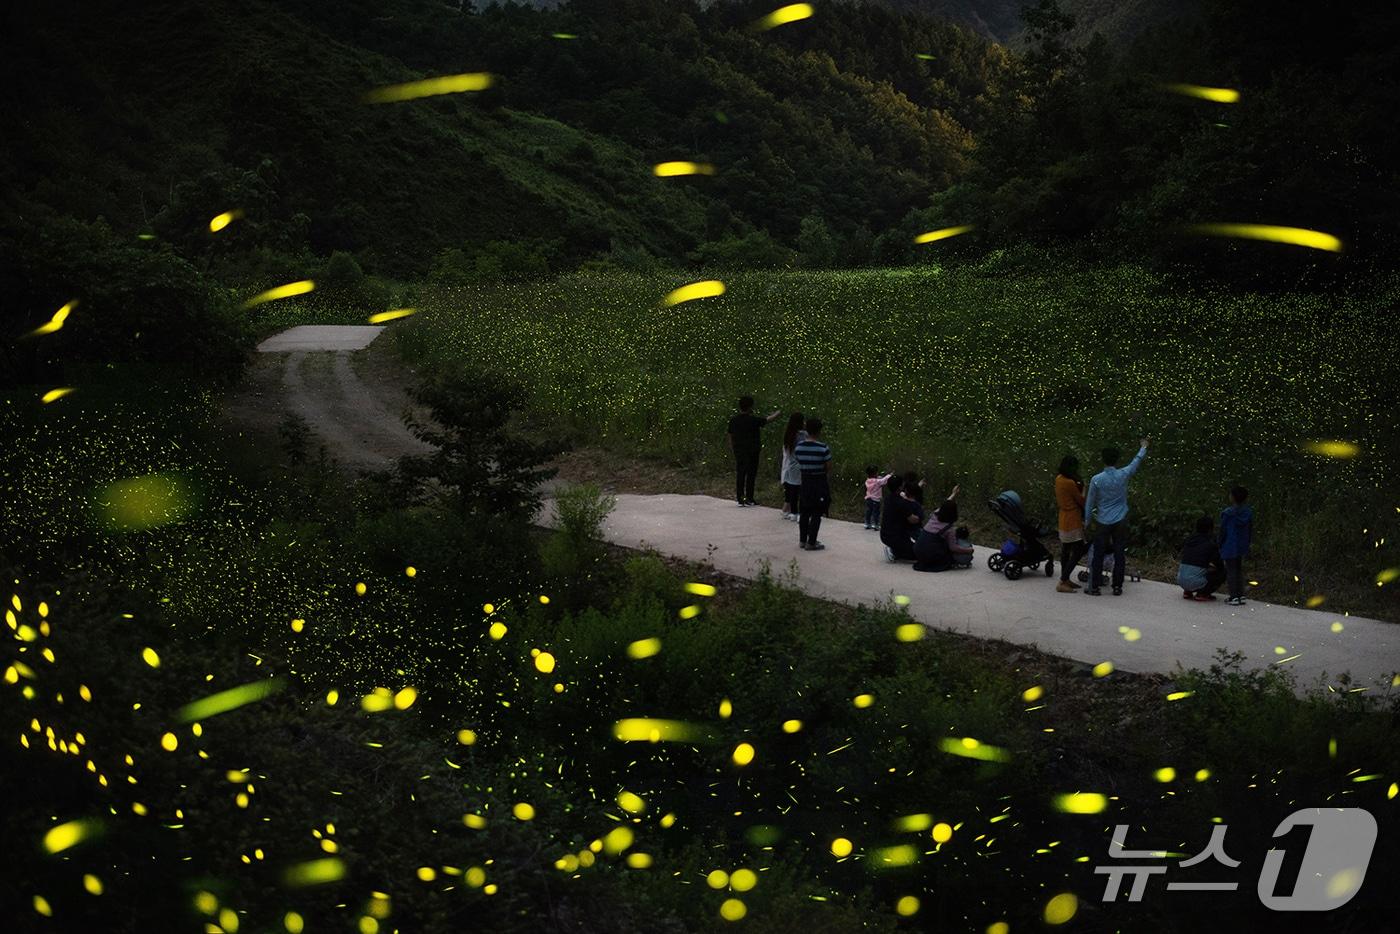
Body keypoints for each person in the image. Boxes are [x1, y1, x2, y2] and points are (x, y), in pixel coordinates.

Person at [1083, 436, 1149, 596]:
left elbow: (1090, 502)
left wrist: (1086, 521)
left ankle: (1094, 586)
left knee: (1098, 553)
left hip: (1103, 519)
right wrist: (1143, 447)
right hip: (1120, 518)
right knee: (1119, 552)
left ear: (1103, 459)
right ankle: (1117, 586)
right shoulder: (1123, 474)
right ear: (1117, 460)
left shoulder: (1096, 479)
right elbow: (1135, 463)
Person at [726, 396, 780, 507]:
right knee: (751, 474)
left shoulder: (734, 420)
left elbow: (730, 435)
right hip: (753, 451)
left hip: (739, 451)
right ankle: (749, 498)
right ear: (750, 407)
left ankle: (741, 498)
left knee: (741, 474)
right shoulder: (753, 420)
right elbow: (767, 420)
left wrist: (732, 448)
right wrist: (777, 414)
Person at [792, 417, 832, 551]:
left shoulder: (799, 447)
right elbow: (828, 467)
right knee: (816, 512)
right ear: (819, 430)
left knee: (804, 511)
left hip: (805, 481)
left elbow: (799, 461)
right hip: (818, 481)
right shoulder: (823, 448)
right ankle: (812, 541)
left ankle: (802, 540)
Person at [913, 487, 972, 572]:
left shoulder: (934, 515)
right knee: (948, 553)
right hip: (930, 555)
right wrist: (968, 550)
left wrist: (953, 493)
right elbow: (953, 548)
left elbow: (944, 505)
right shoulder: (949, 529)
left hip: (917, 551)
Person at [1054, 455, 1088, 593]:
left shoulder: (1058, 479)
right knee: (1079, 550)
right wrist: (1084, 488)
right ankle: (1063, 580)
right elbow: (1081, 501)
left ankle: (1065, 579)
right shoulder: (1070, 483)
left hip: (1063, 518)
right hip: (1072, 519)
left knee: (1066, 549)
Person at [1219, 486, 1254, 606]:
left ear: (1233, 497)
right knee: (1238, 569)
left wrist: (1220, 543)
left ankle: (1234, 596)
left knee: (1231, 571)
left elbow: (1223, 530)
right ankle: (1241, 595)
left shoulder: (1227, 513)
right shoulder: (1248, 513)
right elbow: (1250, 530)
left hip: (1230, 545)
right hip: (1241, 544)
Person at [1177, 516, 1226, 600]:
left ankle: (1187, 591)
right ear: (1210, 529)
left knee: (1196, 567)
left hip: (1181, 580)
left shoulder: (1190, 540)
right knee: (1222, 572)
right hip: (1195, 581)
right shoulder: (1211, 543)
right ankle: (1203, 593)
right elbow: (1218, 563)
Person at [881, 477, 924, 562]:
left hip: (885, 533)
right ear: (900, 487)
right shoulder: (901, 503)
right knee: (918, 554)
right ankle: (893, 551)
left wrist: (918, 486)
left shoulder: (888, 498)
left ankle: (896, 549)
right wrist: (921, 516)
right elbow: (912, 520)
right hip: (896, 536)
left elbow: (906, 495)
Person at [778, 412, 806, 521]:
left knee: (792, 488)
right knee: (798, 489)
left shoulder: (789, 434)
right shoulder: (801, 435)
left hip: (790, 465)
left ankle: (791, 511)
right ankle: (796, 512)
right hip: (799, 465)